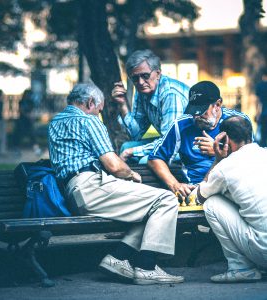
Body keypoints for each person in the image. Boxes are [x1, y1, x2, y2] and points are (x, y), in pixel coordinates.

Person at [48, 83, 184, 285]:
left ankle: (118, 258)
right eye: (99, 110)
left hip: (73, 193)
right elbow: (114, 165)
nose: (99, 114)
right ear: (90, 102)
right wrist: (131, 175)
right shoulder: (88, 121)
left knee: (150, 210)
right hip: (91, 186)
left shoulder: (55, 122)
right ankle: (147, 267)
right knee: (166, 200)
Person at [193, 116, 267, 283]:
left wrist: (218, 159)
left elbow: (199, 197)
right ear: (250, 134)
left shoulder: (225, 167)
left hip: (264, 252)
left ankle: (241, 268)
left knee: (212, 204)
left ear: (225, 139)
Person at [148, 81, 251, 200]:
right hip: (197, 190)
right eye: (193, 111)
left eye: (202, 111)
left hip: (233, 186)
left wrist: (218, 150)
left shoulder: (238, 121)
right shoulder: (181, 125)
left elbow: (250, 159)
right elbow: (155, 158)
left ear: (217, 105)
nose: (196, 117)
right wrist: (175, 184)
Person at [111, 49, 189, 163]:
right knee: (126, 146)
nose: (141, 82)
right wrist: (122, 105)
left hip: (189, 146)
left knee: (144, 160)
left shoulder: (170, 94)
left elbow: (169, 141)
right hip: (172, 142)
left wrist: (132, 152)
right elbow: (136, 135)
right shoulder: (143, 91)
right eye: (135, 78)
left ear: (157, 73)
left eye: (145, 76)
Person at [255, 68, 267, 147]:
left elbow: (257, 101)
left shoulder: (260, 85)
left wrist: (257, 114)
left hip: (264, 113)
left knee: (263, 136)